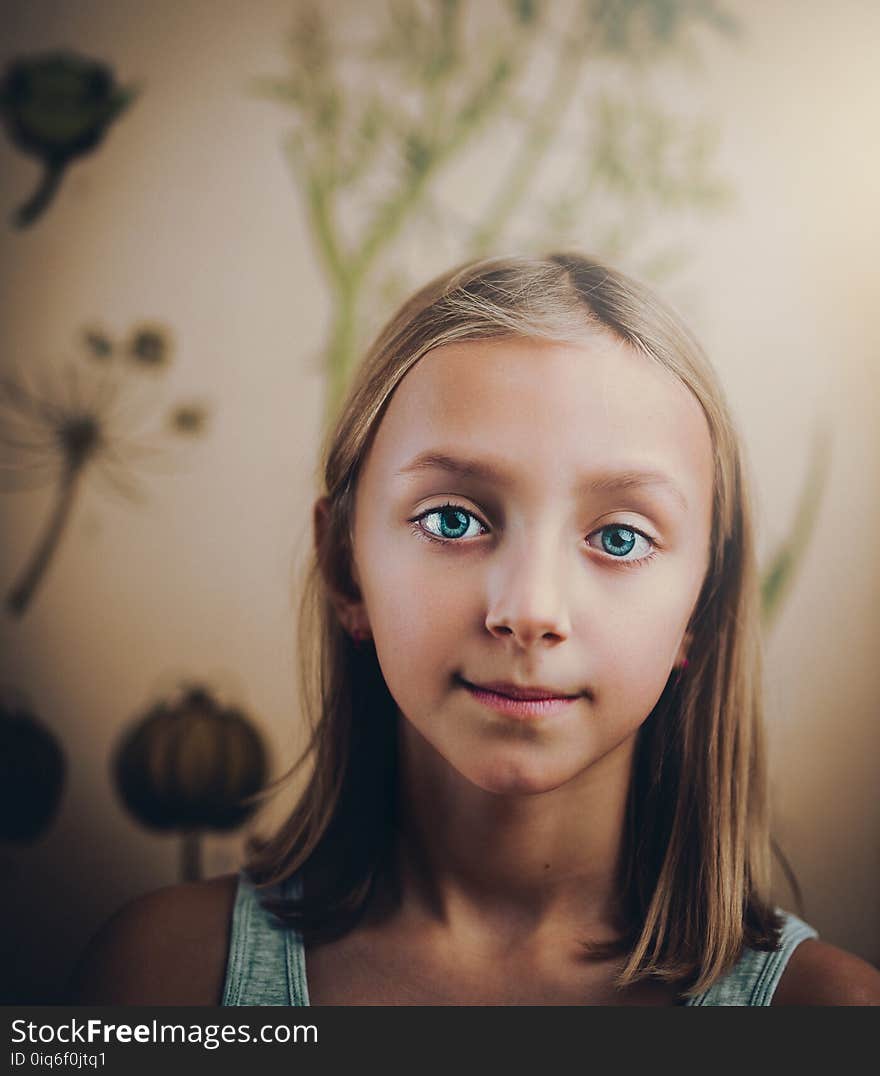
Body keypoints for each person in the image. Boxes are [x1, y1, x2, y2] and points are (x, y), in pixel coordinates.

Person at [69, 253, 880, 1006]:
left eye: (620, 538)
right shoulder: (159, 979)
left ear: (698, 610)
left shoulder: (830, 1017)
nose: (529, 610)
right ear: (346, 568)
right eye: (453, 519)